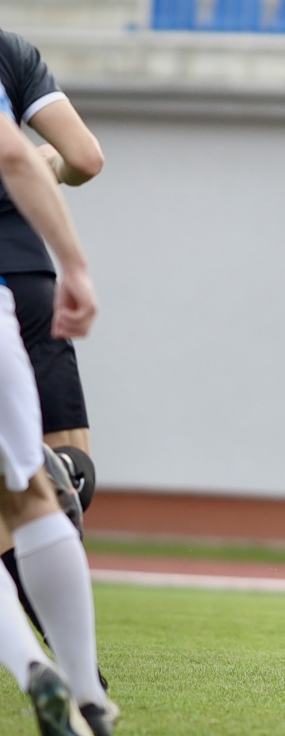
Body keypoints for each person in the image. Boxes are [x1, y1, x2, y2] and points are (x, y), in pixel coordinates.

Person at [0, 83, 116, 734]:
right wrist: (74, 264)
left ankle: (33, 669)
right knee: (33, 496)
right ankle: (86, 688)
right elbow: (63, 156)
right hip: (17, 287)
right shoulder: (11, 51)